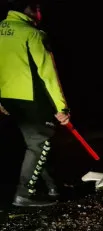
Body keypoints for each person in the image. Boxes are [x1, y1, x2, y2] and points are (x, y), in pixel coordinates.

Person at [0, 0, 69, 206]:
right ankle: (24, 194)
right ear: (30, 9)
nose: (40, 14)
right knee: (41, 141)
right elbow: (49, 74)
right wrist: (62, 107)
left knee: (36, 141)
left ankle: (54, 187)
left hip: (9, 97)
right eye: (38, 9)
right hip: (31, 97)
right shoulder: (33, 34)